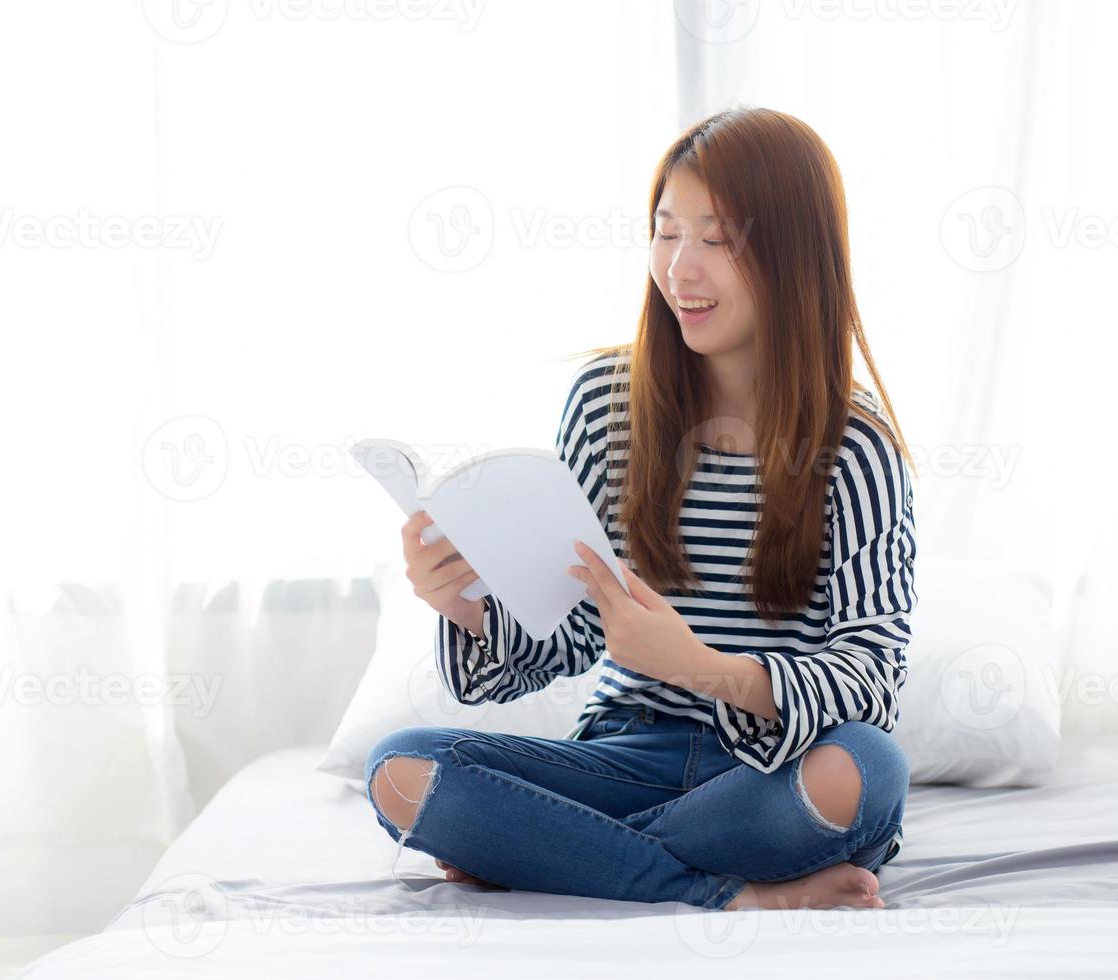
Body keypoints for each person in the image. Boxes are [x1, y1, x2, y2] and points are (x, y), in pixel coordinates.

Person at [366, 106, 918, 912]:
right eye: (666, 232)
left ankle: (554, 850)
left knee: (867, 772)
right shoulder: (606, 406)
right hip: (623, 763)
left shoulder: (858, 445)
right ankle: (738, 897)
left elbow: (871, 678)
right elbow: (570, 636)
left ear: (796, 255)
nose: (680, 269)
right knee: (399, 770)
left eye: (718, 239)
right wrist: (466, 603)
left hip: (771, 775)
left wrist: (700, 666)